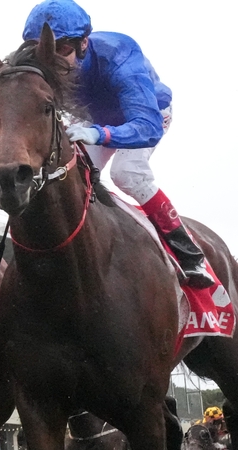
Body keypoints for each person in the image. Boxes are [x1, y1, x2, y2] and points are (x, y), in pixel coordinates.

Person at [22, 0, 214, 289]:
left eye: (62, 50)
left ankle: (189, 254)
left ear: (84, 43)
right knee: (67, 171)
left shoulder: (120, 56)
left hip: (146, 115)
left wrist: (101, 135)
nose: (53, 60)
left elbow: (146, 126)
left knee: (126, 172)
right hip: (95, 117)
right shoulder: (42, 65)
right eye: (45, 49)